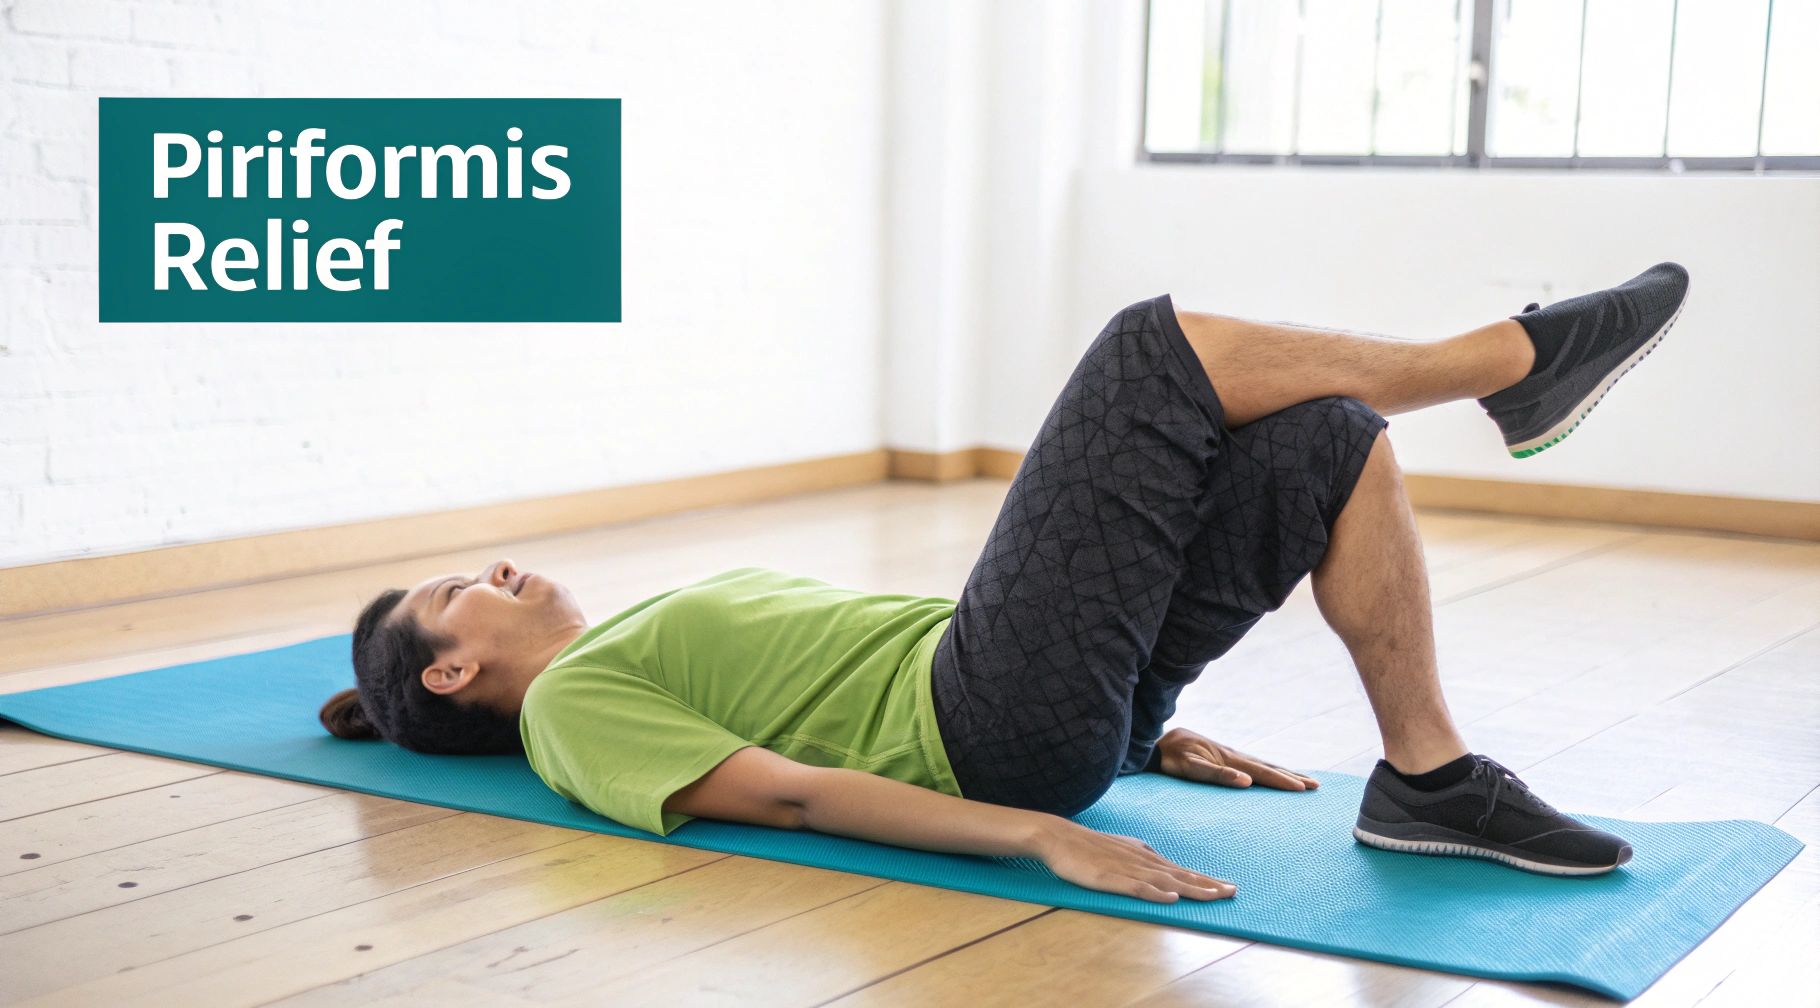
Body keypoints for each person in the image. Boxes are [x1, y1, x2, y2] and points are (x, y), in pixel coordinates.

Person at [320, 262, 1691, 904]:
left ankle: (1428, 778)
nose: (492, 574)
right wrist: (1039, 833)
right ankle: (1507, 365)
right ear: (453, 672)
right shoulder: (570, 715)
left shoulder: (633, 643)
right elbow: (792, 791)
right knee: (1148, 350)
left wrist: (1143, 738)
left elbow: (830, 708)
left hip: (1050, 692)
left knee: (1326, 440)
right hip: (992, 733)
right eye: (459, 591)